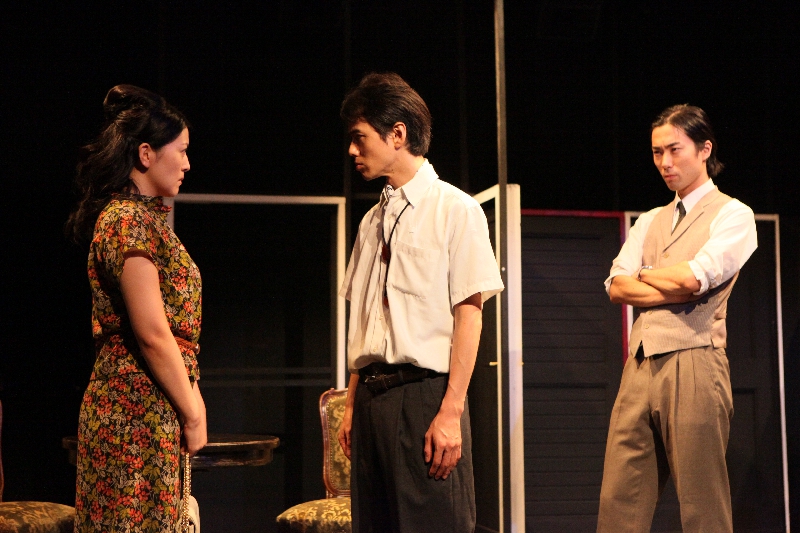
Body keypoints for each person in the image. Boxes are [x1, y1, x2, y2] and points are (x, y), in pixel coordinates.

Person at [336, 72, 504, 533]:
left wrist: (451, 411)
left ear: (397, 134)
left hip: (424, 398)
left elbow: (469, 315)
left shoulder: (456, 210)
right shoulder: (370, 221)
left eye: (359, 137)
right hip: (371, 400)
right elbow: (366, 320)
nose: (352, 150)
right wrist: (351, 404)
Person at [597, 104, 758, 532]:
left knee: (702, 504)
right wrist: (665, 282)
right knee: (619, 500)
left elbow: (695, 278)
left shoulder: (733, 214)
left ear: (704, 149)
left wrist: (648, 276)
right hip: (639, 366)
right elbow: (616, 286)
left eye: (674, 150)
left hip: (695, 361)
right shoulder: (650, 220)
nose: (665, 162)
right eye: (657, 153)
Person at [66, 84, 207, 532]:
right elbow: (151, 331)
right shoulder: (127, 221)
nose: (187, 163)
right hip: (132, 412)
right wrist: (193, 411)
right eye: (181, 151)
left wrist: (189, 396)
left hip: (153, 404)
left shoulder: (146, 221)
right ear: (146, 154)